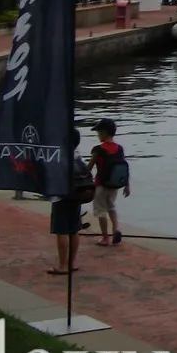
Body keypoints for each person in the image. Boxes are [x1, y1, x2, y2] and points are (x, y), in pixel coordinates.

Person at [50, 130, 94, 276]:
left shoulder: (60, 157)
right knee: (74, 230)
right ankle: (72, 263)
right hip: (77, 197)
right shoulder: (77, 157)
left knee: (61, 231)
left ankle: (63, 265)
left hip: (61, 198)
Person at [88, 118, 131, 247]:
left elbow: (89, 167)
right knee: (111, 207)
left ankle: (105, 238)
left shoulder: (98, 149)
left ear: (104, 133)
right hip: (114, 185)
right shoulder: (119, 149)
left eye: (99, 133)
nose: (98, 135)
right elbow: (125, 167)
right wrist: (127, 185)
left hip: (101, 185)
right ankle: (116, 229)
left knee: (100, 210)